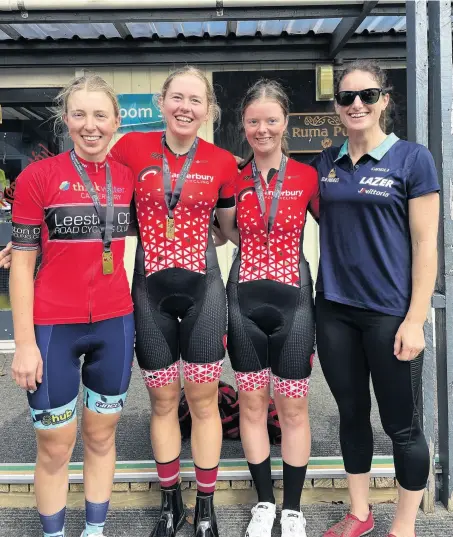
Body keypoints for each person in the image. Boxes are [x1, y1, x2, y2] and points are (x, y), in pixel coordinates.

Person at [109, 66, 238, 537]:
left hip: (204, 291)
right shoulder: (130, 148)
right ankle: (171, 503)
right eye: (177, 98)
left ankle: (205, 506)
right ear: (162, 102)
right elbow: (97, 197)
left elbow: (226, 232)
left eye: (196, 100)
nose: (186, 108)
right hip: (149, 292)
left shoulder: (223, 161)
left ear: (208, 110)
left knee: (203, 402)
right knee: (162, 401)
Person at [313, 60, 439, 537]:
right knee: (351, 416)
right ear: (337, 107)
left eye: (367, 94)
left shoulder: (411, 159)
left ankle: (403, 525)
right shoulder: (326, 163)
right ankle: (361, 513)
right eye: (346, 97)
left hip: (390, 314)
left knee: (401, 426)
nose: (357, 104)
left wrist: (415, 318)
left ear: (385, 99)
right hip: (336, 312)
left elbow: (426, 243)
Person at [10, 74, 135, 537]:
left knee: (102, 438)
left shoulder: (127, 178)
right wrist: (24, 344)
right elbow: (21, 266)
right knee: (55, 446)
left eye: (100, 115)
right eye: (79, 114)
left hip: (114, 324)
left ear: (116, 121)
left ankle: (95, 530)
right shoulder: (36, 177)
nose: (90, 126)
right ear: (66, 120)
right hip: (51, 327)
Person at [216, 79, 318, 537]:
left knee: (293, 408)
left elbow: (341, 228)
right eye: (253, 121)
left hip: (295, 301)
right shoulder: (232, 177)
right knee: (252, 405)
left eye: (271, 120)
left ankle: (292, 508)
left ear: (285, 123)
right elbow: (221, 229)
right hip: (243, 302)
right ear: (244, 124)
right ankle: (264, 503)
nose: (262, 129)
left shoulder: (307, 176)